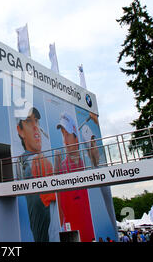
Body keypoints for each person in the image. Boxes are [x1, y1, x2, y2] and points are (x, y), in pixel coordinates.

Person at [15, 101, 57, 242]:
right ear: (20, 130)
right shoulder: (34, 162)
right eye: (28, 121)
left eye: (37, 121)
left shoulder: (29, 160)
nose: (35, 126)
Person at [53, 111, 95, 242]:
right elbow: (60, 214)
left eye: (68, 135)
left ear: (76, 137)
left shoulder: (87, 163)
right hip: (73, 235)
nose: (65, 141)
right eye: (63, 135)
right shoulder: (61, 168)